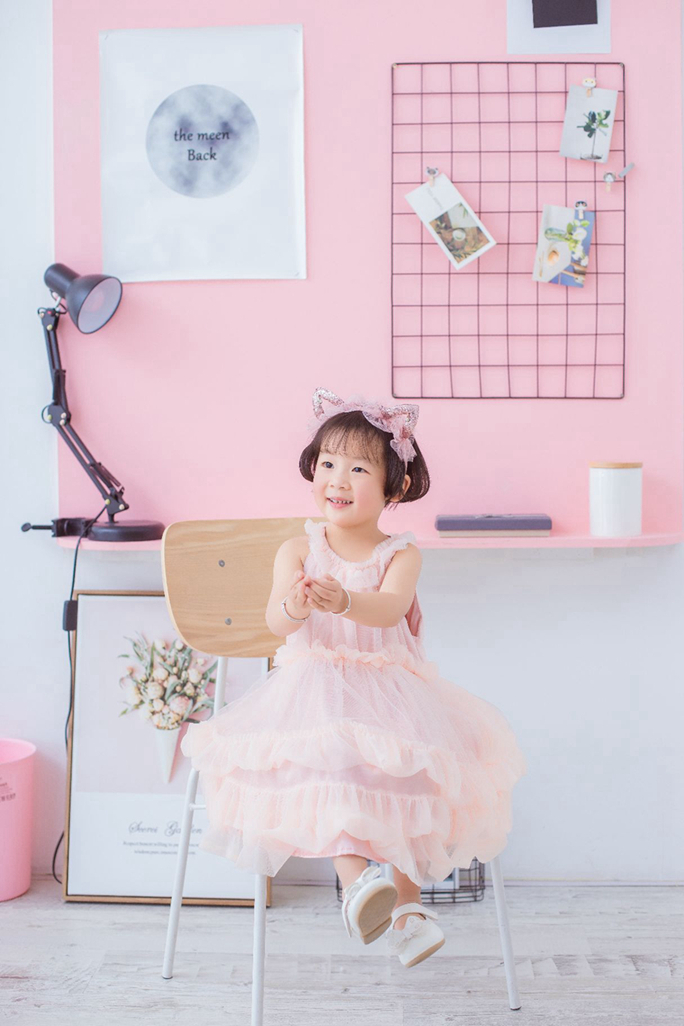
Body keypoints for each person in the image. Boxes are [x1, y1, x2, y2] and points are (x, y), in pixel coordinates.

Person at [181, 385, 527, 968]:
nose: (337, 479)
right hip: (314, 689)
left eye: (358, 468)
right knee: (333, 761)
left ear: (394, 486)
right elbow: (275, 621)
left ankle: (409, 909)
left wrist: (344, 600)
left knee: (407, 776)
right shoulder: (298, 550)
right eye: (328, 464)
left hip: (391, 691)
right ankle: (358, 883)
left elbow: (390, 609)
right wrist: (295, 605)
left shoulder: (401, 554)